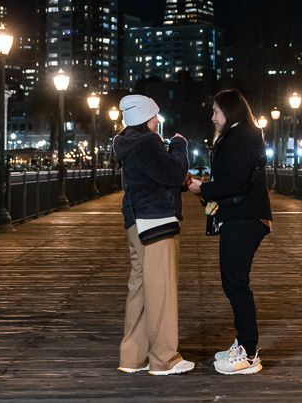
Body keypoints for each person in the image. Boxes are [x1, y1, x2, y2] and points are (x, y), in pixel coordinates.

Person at [188, 89, 272, 375]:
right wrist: (209, 186)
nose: (212, 117)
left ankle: (249, 353)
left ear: (230, 113)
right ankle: (243, 343)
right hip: (245, 215)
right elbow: (234, 178)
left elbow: (233, 183)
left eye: (216, 112)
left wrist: (202, 188)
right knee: (234, 282)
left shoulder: (237, 138)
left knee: (236, 283)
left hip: (244, 216)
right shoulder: (244, 135)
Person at [114, 94, 194, 376]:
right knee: (160, 290)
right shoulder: (148, 143)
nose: (158, 120)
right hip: (156, 222)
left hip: (136, 223)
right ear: (145, 119)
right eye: (154, 116)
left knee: (140, 289)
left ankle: (133, 356)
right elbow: (173, 173)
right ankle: (164, 359)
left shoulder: (127, 143)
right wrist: (180, 145)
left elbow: (153, 179)